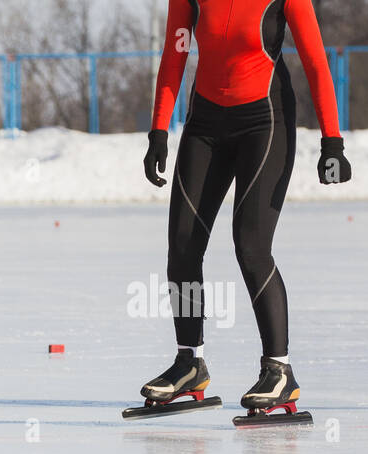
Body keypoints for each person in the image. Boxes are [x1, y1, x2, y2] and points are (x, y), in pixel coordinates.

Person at [140, 0, 350, 420]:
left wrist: (332, 141)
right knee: (183, 243)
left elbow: (314, 60)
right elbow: (175, 52)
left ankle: (278, 369)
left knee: (251, 245)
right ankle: (190, 363)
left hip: (265, 120)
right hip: (205, 123)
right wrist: (159, 130)